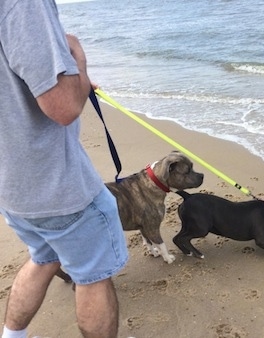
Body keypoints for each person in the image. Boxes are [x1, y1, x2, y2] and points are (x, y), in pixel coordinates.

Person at [0, 1, 128, 337]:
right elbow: (64, 106)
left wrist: (76, 82)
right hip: (54, 185)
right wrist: (79, 62)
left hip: (11, 185)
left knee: (43, 258)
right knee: (93, 275)